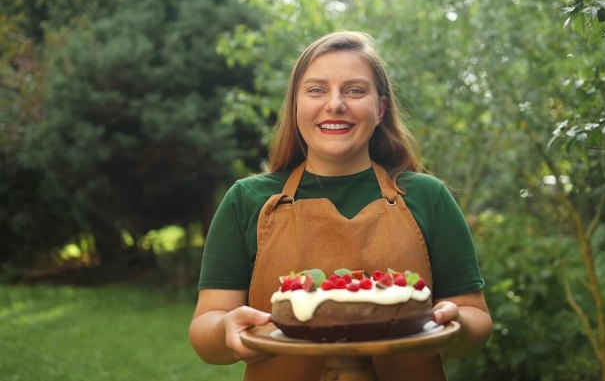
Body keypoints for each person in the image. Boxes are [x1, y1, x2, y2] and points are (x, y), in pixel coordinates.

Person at [189, 31, 492, 381]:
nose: (335, 104)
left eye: (355, 90)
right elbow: (206, 328)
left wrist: (454, 324)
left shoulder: (429, 197)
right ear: (296, 106)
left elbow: (476, 318)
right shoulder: (247, 200)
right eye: (316, 90)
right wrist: (227, 328)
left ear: (380, 109)